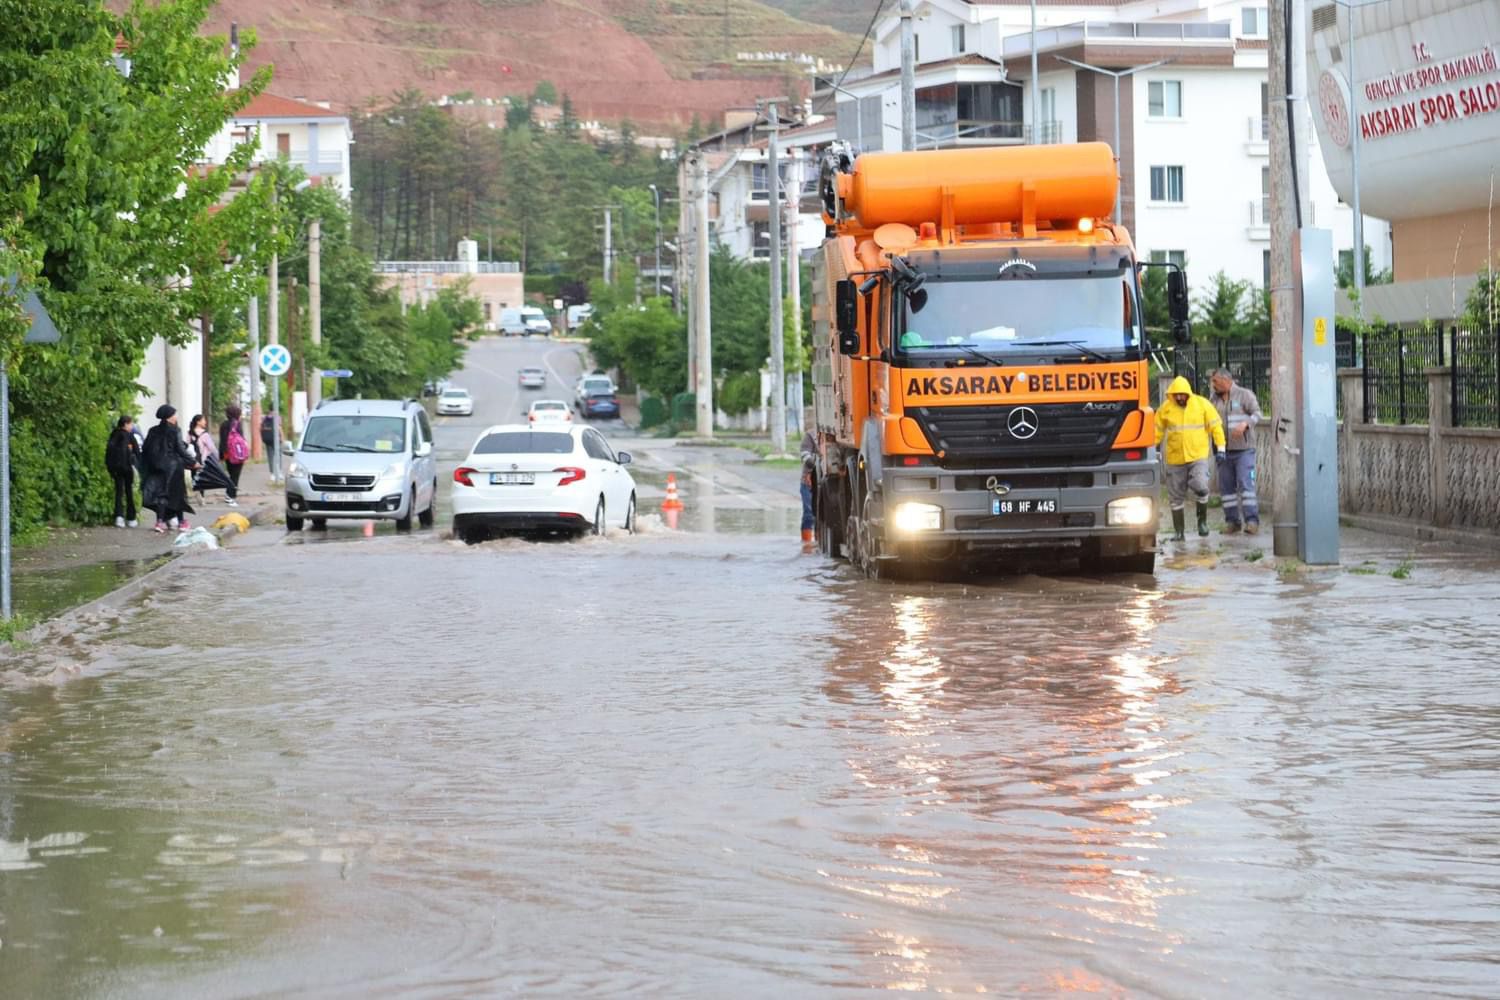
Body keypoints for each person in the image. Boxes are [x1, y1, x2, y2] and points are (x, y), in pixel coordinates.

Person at [1155, 375, 1225, 541]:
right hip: (1175, 458)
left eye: (1182, 394)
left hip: (1197, 456)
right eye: (1176, 394)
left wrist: (1221, 447)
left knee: (1201, 486)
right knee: (1175, 496)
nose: (1179, 397)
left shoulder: (1202, 404)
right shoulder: (1166, 408)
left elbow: (1216, 426)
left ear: (1188, 393)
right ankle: (1179, 533)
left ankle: (1202, 523)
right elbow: (1156, 431)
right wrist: (1153, 449)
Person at [1210, 368, 1263, 534]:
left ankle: (1252, 521)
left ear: (1226, 380)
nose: (1213, 386)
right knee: (1226, 489)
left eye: (1216, 382)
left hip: (1243, 450)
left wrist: (1245, 423)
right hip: (1222, 451)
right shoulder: (1213, 399)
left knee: (1246, 485)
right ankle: (1232, 522)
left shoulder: (1244, 395)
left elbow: (1257, 414)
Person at [140, 405, 200, 534]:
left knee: (161, 494)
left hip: (156, 467)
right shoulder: (175, 430)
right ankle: (181, 522)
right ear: (169, 417)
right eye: (174, 414)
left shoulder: (152, 430)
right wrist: (193, 462)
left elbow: (145, 448)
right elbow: (180, 449)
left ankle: (160, 522)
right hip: (174, 467)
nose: (176, 417)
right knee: (177, 494)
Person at [104, 415, 140, 528]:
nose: (132, 426)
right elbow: (137, 452)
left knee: (119, 492)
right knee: (129, 492)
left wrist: (110, 468)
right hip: (127, 468)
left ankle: (118, 517)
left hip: (116, 468)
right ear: (126, 424)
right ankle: (131, 518)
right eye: (131, 424)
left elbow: (108, 452)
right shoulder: (129, 436)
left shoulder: (113, 435)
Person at [218, 404, 249, 507]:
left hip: (227, 454)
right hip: (237, 454)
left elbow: (222, 441)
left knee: (231, 475)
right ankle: (230, 497)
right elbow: (242, 440)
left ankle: (230, 495)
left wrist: (222, 455)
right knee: (235, 476)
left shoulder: (223, 424)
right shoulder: (237, 425)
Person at [799, 430, 818, 550]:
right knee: (809, 514)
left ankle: (817, 544)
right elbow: (805, 454)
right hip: (808, 481)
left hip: (821, 481)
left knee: (819, 516)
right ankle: (806, 546)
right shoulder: (811, 435)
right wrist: (812, 464)